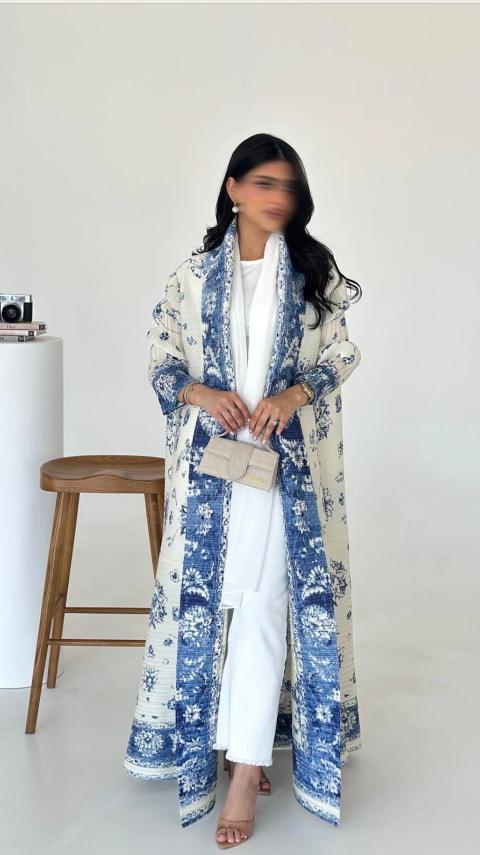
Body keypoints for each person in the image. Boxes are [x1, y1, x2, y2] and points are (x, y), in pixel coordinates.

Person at [123, 133, 363, 848]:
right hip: (213, 472)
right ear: (232, 189)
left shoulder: (314, 274)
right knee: (217, 609)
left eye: (288, 186)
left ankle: (245, 769)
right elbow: (161, 356)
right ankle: (234, 740)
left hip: (285, 474)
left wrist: (293, 393)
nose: (277, 198)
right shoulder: (194, 277)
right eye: (263, 183)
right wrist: (200, 392)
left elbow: (343, 352)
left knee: (263, 605)